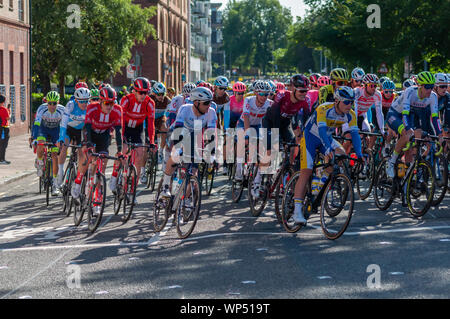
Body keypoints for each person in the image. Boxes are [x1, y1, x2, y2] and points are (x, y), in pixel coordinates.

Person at [292, 87, 362, 224]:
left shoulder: (351, 114)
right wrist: (328, 148)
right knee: (306, 171)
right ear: (337, 101)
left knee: (341, 156)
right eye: (347, 102)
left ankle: (321, 176)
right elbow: (322, 131)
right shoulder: (324, 109)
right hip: (311, 137)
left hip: (327, 138)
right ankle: (296, 211)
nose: (350, 105)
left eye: (352, 102)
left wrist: (359, 154)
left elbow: (355, 135)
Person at [160, 87, 217, 198]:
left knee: (193, 169)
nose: (208, 106)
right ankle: (165, 186)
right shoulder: (185, 109)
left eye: (210, 102)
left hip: (193, 135)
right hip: (177, 132)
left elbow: (211, 134)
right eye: (206, 103)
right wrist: (177, 148)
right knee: (175, 157)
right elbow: (178, 130)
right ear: (196, 102)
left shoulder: (211, 112)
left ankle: (185, 198)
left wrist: (212, 154)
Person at [71, 86, 123, 200]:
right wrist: (88, 144)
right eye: (106, 103)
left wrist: (119, 150)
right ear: (100, 101)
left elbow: (118, 131)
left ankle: (97, 197)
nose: (109, 106)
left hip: (104, 135)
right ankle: (78, 182)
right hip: (90, 132)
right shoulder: (92, 107)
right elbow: (87, 127)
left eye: (112, 103)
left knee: (102, 161)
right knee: (86, 156)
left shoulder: (117, 110)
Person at [32, 91, 65, 196]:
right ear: (47, 102)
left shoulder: (62, 110)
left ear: (58, 102)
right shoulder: (42, 108)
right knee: (40, 144)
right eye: (49, 103)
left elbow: (64, 126)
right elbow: (36, 124)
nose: (51, 106)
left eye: (54, 103)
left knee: (55, 156)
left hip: (56, 131)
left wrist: (62, 139)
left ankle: (55, 184)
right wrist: (34, 138)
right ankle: (40, 162)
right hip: (43, 129)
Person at [56, 87, 90, 187]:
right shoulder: (71, 105)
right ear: (76, 100)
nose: (84, 104)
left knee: (81, 152)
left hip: (80, 131)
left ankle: (79, 174)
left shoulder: (89, 107)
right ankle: (61, 171)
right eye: (81, 101)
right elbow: (63, 122)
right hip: (68, 129)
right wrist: (61, 138)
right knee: (64, 147)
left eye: (86, 101)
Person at [0, 94, 10, 164]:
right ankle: (2, 159)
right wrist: (9, 112)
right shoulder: (4, 109)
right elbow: (8, 118)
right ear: (3, 102)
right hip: (4, 129)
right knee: (3, 145)